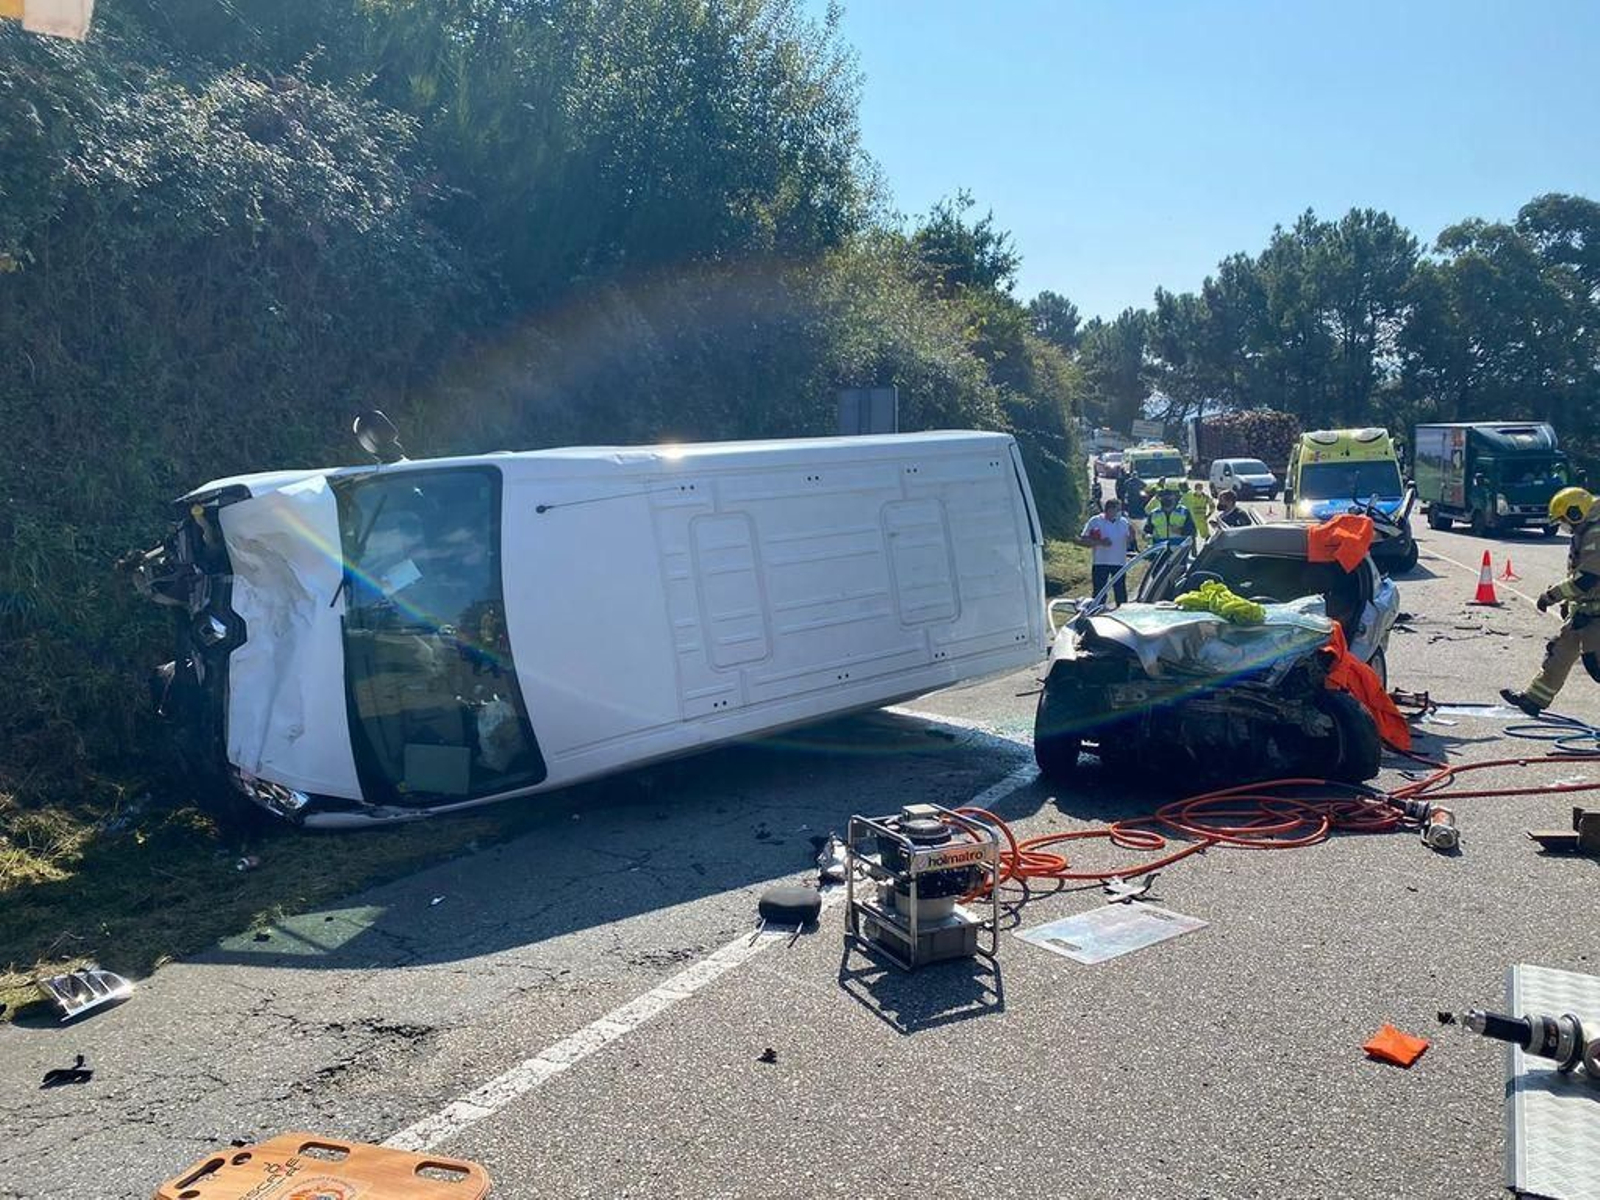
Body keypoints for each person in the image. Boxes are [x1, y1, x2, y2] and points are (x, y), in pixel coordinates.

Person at [1502, 487, 1600, 716]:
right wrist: (1570, 602)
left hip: (1596, 613)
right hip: (1586, 610)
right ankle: (1533, 700)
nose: (1565, 527)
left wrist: (1552, 596)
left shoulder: (1597, 534)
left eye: (1565, 520)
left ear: (1577, 512)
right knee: (1560, 652)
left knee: (1597, 665)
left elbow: (1587, 578)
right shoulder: (1585, 530)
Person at [1077, 497, 1138, 606]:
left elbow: (1128, 542)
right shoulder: (1095, 521)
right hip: (1101, 562)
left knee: (1120, 591)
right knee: (1099, 591)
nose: (1119, 512)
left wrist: (1132, 535)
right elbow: (1083, 540)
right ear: (1109, 509)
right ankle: (1097, 611)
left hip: (1119, 562)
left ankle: (1122, 612)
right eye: (1117, 509)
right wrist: (1100, 542)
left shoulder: (1123, 522)